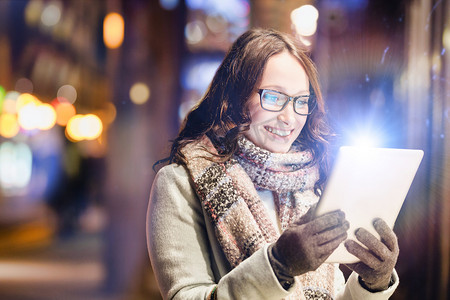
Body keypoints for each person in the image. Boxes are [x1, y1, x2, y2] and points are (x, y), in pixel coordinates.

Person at [146, 28, 399, 300]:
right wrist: (278, 265)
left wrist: (373, 285)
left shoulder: (309, 184)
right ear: (235, 98)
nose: (289, 118)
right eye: (274, 97)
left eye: (301, 101)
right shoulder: (180, 183)